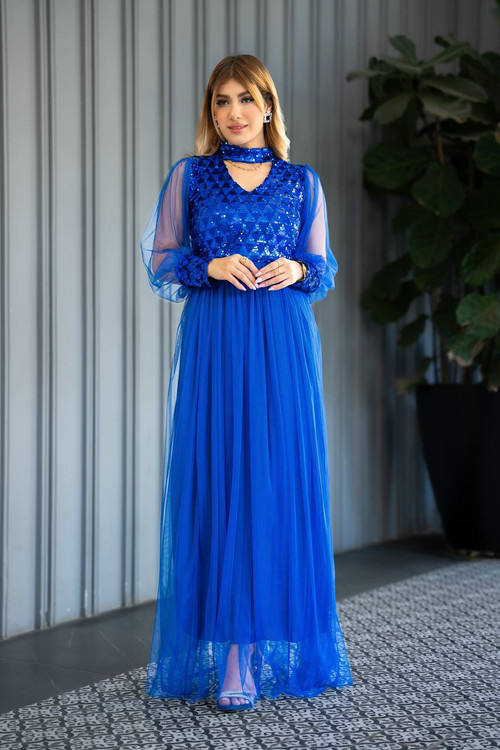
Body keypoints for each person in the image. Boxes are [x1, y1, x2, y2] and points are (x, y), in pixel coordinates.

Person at [140, 53, 353, 712]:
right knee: (221, 478)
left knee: (274, 482)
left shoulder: (301, 181)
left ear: (268, 106)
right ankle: (233, 650)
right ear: (213, 111)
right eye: (221, 101)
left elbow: (322, 267)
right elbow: (162, 260)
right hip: (218, 340)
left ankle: (257, 644)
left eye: (245, 99)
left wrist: (298, 271)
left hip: (282, 342)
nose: (233, 113)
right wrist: (211, 265)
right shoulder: (192, 175)